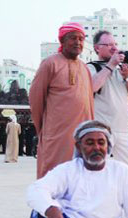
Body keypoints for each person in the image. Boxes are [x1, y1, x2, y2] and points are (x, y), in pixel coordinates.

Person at [29, 22, 94, 178]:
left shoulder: (85, 68)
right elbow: (36, 99)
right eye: (73, 38)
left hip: (82, 136)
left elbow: (89, 103)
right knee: (53, 178)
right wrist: (43, 130)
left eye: (81, 39)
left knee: (80, 178)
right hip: (56, 136)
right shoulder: (50, 63)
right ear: (62, 41)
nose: (78, 42)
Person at [88, 30, 128, 176]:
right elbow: (92, 87)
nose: (114, 48)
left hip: (123, 130)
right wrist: (111, 65)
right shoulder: (91, 67)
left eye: (115, 44)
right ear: (97, 48)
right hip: (102, 130)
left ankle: (125, 198)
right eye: (108, 44)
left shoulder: (121, 70)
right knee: (96, 171)